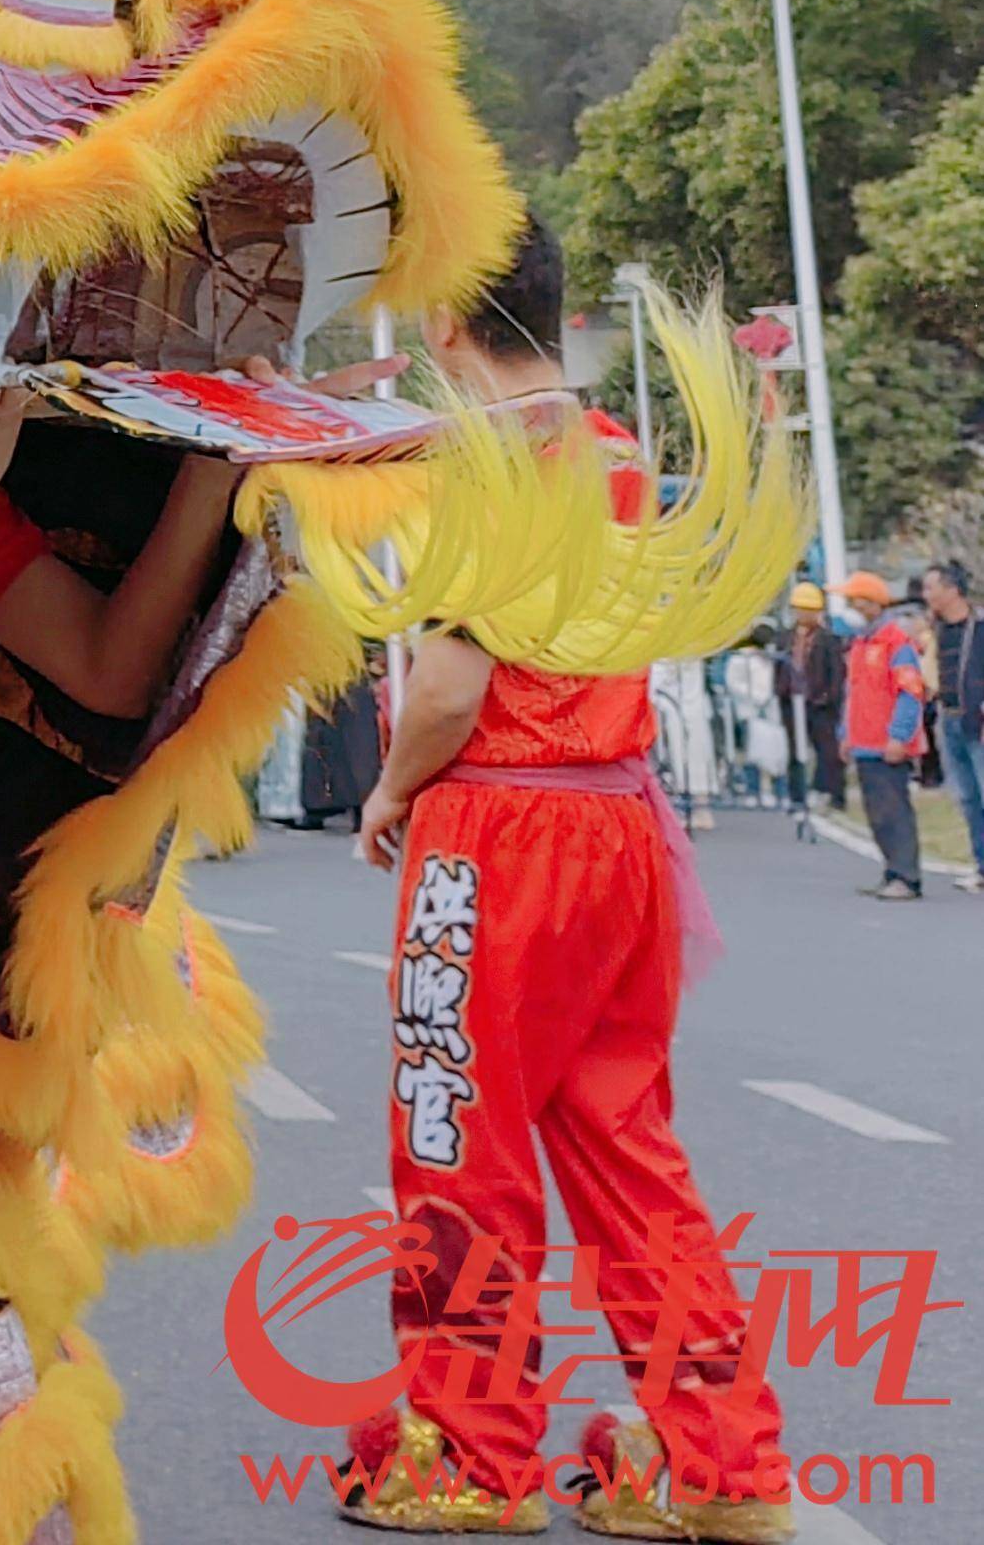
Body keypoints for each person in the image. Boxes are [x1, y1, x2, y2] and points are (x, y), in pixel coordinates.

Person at [334, 220, 785, 1535]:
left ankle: (472, 1458)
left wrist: (387, 791)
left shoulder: (494, 462)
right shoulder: (611, 451)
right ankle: (719, 1464)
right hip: (615, 827)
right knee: (628, 1156)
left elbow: (452, 683)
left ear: (439, 324)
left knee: (455, 1150)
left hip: (497, 833)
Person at [836, 573, 925, 902]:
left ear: (872, 603)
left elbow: (910, 692)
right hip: (864, 743)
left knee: (894, 811)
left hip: (887, 745)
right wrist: (846, 734)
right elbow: (853, 693)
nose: (850, 606)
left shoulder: (896, 642)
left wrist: (899, 736)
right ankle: (892, 870)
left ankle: (907, 875)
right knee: (877, 813)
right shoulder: (861, 643)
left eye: (855, 600)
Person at [921, 561, 984, 884]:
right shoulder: (938, 631)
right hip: (950, 719)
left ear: (952, 590)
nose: (925, 594)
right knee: (968, 797)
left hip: (979, 722)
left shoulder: (979, 627)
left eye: (931, 587)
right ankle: (981, 866)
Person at [784, 582, 845, 807]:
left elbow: (837, 672)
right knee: (795, 749)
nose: (804, 614)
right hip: (792, 702)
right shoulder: (787, 638)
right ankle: (797, 795)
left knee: (828, 751)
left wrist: (831, 698)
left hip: (821, 703)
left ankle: (832, 794)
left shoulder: (829, 640)